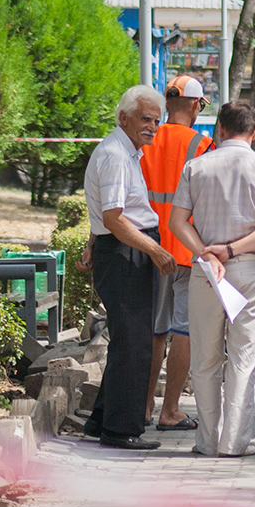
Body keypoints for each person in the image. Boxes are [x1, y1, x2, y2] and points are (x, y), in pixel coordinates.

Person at [168, 101, 255, 458]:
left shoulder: (196, 167)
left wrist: (206, 252)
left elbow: (178, 222)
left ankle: (206, 441)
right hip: (249, 269)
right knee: (244, 356)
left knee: (205, 357)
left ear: (218, 129)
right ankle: (234, 443)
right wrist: (231, 250)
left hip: (206, 273)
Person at [81, 85, 177, 450]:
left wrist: (92, 243)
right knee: (135, 343)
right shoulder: (117, 156)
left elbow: (105, 216)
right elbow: (115, 218)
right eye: (145, 119)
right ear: (124, 118)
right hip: (126, 252)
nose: (153, 126)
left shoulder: (124, 151)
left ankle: (103, 418)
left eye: (157, 120)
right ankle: (121, 429)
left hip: (121, 249)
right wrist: (155, 249)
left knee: (129, 338)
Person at [139, 75, 214, 431]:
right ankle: (171, 411)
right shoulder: (203, 145)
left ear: (167, 104)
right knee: (183, 329)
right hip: (186, 249)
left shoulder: (145, 140)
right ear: (197, 105)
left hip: (149, 247)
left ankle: (143, 408)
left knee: (154, 330)